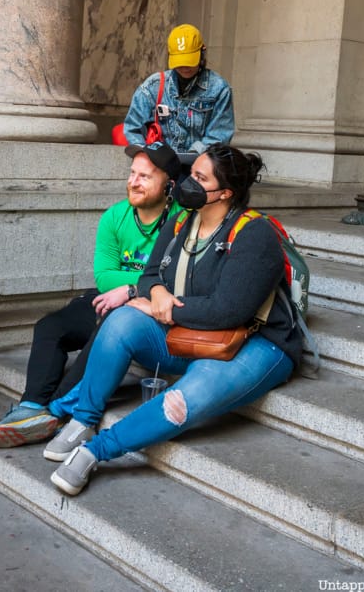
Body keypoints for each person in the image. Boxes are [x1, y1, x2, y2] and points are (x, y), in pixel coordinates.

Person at [46, 144, 303, 495]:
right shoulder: (183, 220)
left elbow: (229, 311)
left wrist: (162, 308)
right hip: (193, 332)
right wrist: (156, 293)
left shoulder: (254, 233)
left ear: (225, 193)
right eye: (190, 174)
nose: (188, 184)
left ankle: (96, 451)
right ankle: (83, 419)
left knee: (187, 395)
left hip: (256, 342)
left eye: (200, 179)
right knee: (121, 321)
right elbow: (150, 275)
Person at [0, 142, 183, 448]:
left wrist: (132, 289)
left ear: (169, 185)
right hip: (110, 297)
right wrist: (140, 282)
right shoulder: (115, 217)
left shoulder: (183, 222)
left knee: (110, 324)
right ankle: (31, 407)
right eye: (132, 173)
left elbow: (177, 277)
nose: (134, 182)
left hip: (148, 313)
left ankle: (53, 411)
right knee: (51, 326)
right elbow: (104, 277)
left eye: (145, 176)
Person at [121, 24, 234, 156]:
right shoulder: (152, 87)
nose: (185, 67)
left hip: (200, 162)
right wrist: (145, 155)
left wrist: (192, 156)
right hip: (158, 163)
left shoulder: (219, 89)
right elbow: (133, 128)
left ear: (202, 54)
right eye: (180, 62)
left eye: (189, 61)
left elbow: (219, 135)